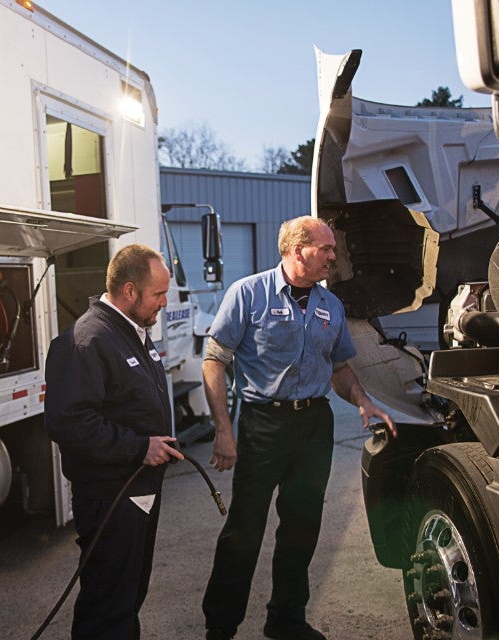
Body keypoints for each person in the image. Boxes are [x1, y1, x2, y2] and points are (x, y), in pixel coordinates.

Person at [200, 216, 396, 640]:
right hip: (263, 425)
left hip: (314, 425)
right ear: (295, 250)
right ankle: (221, 626)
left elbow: (339, 367)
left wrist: (364, 402)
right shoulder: (248, 294)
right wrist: (222, 429)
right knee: (244, 529)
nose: (333, 255)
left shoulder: (331, 305)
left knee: (302, 526)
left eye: (332, 249)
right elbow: (214, 359)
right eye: (325, 248)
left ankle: (285, 620)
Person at [44, 244, 183, 640]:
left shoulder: (132, 332)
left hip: (137, 491)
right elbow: (67, 422)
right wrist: (140, 448)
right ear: (128, 291)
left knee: (127, 599)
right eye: (158, 294)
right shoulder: (87, 340)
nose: (164, 302)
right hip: (110, 497)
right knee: (108, 606)